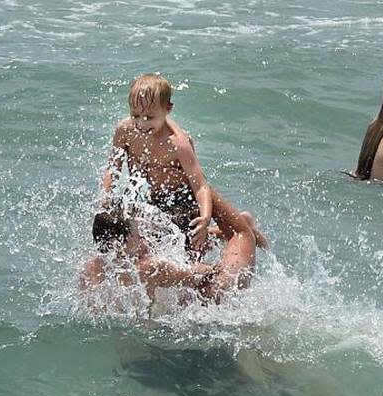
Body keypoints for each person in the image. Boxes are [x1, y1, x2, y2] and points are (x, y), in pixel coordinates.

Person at [100, 73, 267, 258]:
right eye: (136, 115)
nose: (141, 123)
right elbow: (113, 169)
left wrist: (204, 218)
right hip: (150, 198)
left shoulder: (178, 144)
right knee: (145, 243)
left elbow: (200, 185)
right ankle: (234, 227)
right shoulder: (124, 131)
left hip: (182, 200)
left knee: (186, 250)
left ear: (168, 109)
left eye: (149, 117)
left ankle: (241, 231)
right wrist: (105, 200)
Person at [81, 195, 257, 306]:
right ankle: (237, 229)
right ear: (117, 243)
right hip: (159, 352)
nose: (142, 239)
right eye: (137, 234)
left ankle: (213, 233)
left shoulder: (87, 270)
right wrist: (210, 268)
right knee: (240, 240)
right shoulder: (151, 267)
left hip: (129, 356)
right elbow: (197, 274)